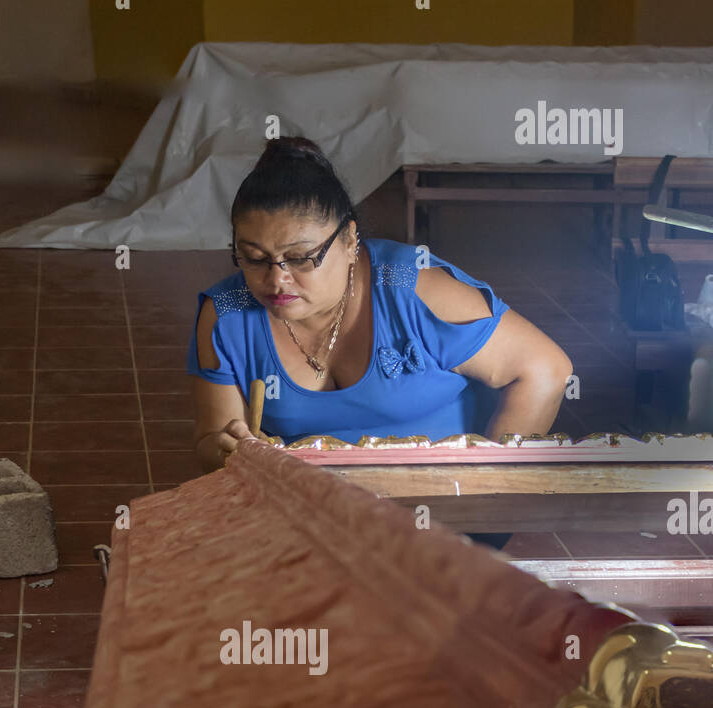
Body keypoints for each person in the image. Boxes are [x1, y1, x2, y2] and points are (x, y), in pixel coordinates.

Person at [188, 136, 573, 471]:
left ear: (350, 239)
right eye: (254, 258)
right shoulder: (228, 314)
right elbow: (211, 442)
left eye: (302, 257)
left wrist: (490, 488)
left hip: (441, 514)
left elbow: (546, 370)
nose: (276, 279)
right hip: (312, 514)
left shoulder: (412, 288)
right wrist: (226, 451)